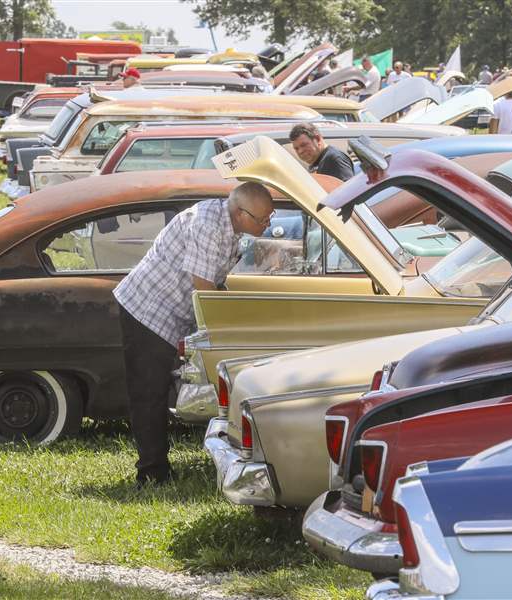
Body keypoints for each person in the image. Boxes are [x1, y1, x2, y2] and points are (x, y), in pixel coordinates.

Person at [113, 182, 274, 486]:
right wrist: (223, 334)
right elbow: (204, 287)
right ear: (240, 213)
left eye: (270, 217)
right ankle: (151, 473)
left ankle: (157, 464)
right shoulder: (208, 224)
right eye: (262, 220)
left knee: (157, 391)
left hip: (170, 310)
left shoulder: (230, 223)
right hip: (147, 309)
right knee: (149, 394)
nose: (267, 225)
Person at [289, 122, 355, 181]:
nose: (300, 151)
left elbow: (349, 191)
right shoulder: (316, 162)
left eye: (304, 145)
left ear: (318, 139)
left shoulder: (335, 158)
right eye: (296, 148)